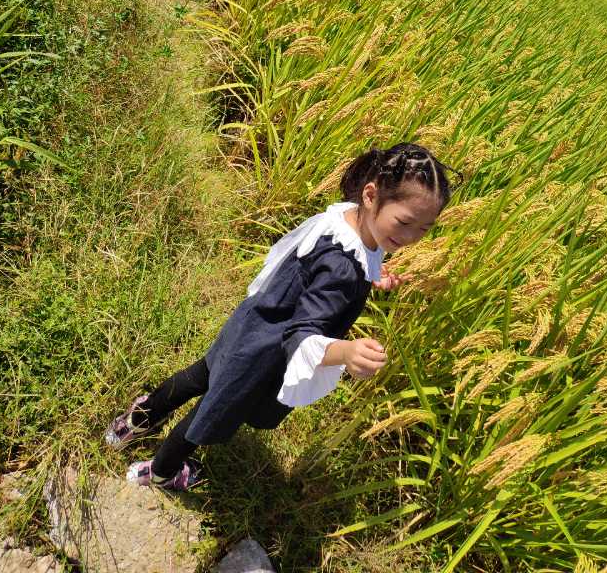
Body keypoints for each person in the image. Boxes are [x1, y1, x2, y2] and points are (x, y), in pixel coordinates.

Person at [105, 142, 461, 490]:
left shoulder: (344, 219)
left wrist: (372, 275)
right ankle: (162, 471)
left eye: (424, 230)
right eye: (405, 223)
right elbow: (302, 332)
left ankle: (133, 424)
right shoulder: (343, 268)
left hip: (252, 324)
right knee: (209, 412)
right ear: (371, 196)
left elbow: (320, 268)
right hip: (264, 354)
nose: (411, 237)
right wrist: (347, 353)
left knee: (199, 375)